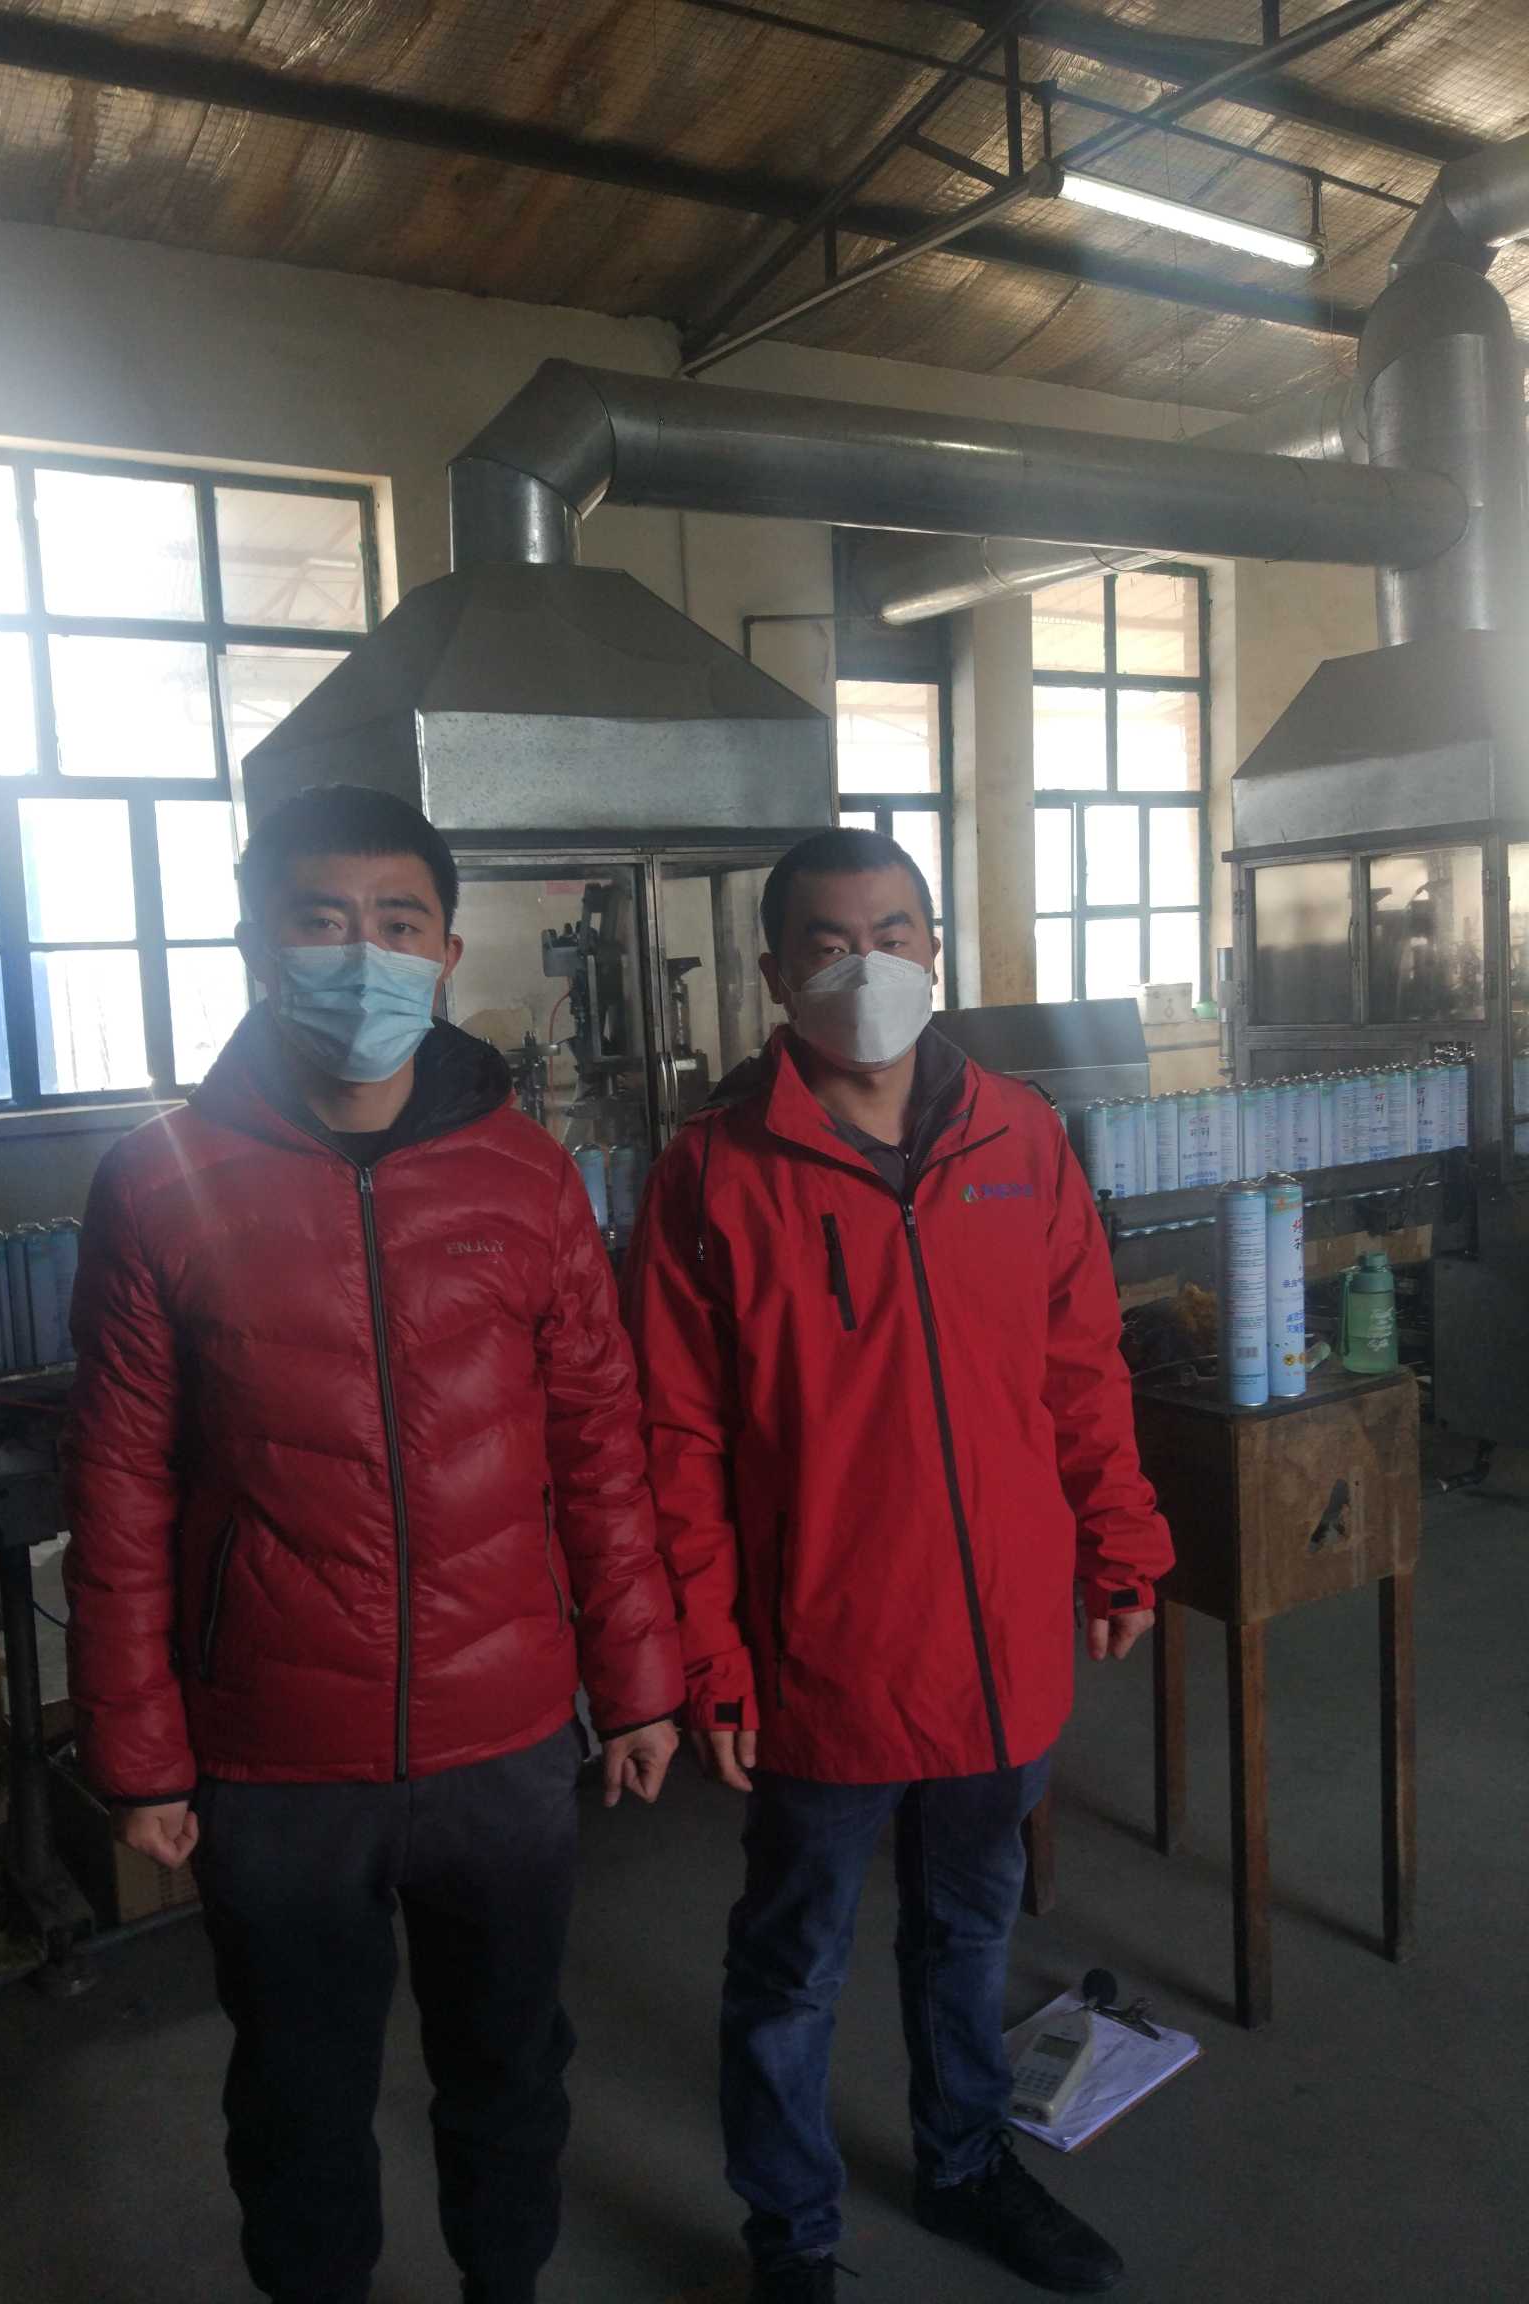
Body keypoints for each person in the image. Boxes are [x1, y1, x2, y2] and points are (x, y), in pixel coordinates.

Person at [63, 784, 683, 2304]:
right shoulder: (158, 1184)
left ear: (447, 952)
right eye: (323, 921)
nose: (364, 954)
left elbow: (599, 1445)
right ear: (255, 943)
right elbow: (122, 1487)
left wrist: (640, 1682)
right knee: (298, 2098)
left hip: (505, 1742)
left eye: (399, 923)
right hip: (278, 1758)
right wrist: (140, 1755)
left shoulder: (527, 1176)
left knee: (511, 2072)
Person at [622, 827, 1172, 2303]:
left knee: (970, 1930)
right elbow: (675, 1442)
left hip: (999, 1645)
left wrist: (1121, 1538)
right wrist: (709, 1656)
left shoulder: (1020, 1138)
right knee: (793, 1964)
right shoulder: (711, 1176)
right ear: (772, 974)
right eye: (826, 941)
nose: (864, 964)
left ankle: (967, 2165)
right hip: (825, 1656)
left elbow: (1079, 1365)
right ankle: (793, 2236)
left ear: (936, 949)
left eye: (893, 933)